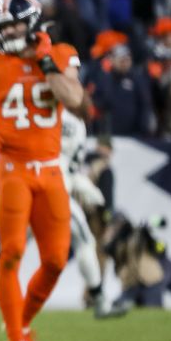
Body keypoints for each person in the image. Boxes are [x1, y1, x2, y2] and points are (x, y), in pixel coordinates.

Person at [0, 0, 87, 341]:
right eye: (4, 26)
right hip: (12, 168)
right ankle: (16, 340)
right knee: (11, 252)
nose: (9, 31)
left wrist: (44, 59)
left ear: (32, 23)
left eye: (14, 24)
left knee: (57, 260)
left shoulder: (60, 54)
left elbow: (74, 99)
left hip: (50, 167)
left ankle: (22, 320)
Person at [60, 108, 130, 319]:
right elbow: (106, 199)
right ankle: (94, 297)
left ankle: (93, 296)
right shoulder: (102, 165)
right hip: (91, 215)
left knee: (85, 249)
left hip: (75, 206)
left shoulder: (85, 158)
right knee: (94, 252)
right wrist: (108, 222)